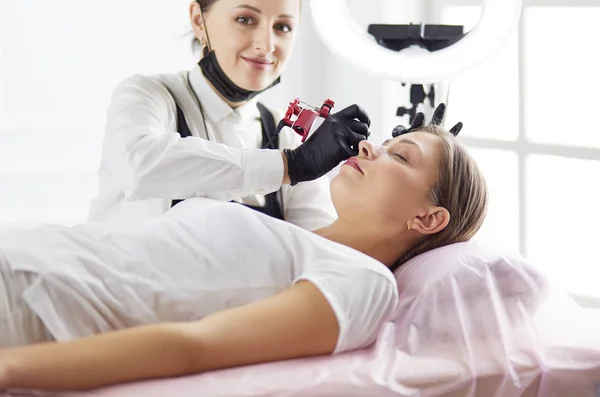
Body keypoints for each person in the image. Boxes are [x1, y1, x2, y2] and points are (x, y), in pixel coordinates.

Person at [0, 108, 488, 392]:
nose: (367, 149)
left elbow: (196, 345)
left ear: (427, 219)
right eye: (384, 142)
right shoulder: (299, 233)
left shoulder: (364, 283)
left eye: (399, 156)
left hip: (30, 298)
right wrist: (293, 161)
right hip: (26, 252)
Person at [88, 0, 370, 229]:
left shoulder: (287, 136)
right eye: (245, 19)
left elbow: (318, 245)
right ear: (199, 21)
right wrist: (288, 167)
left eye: (283, 27)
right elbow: (141, 168)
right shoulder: (148, 94)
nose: (266, 44)